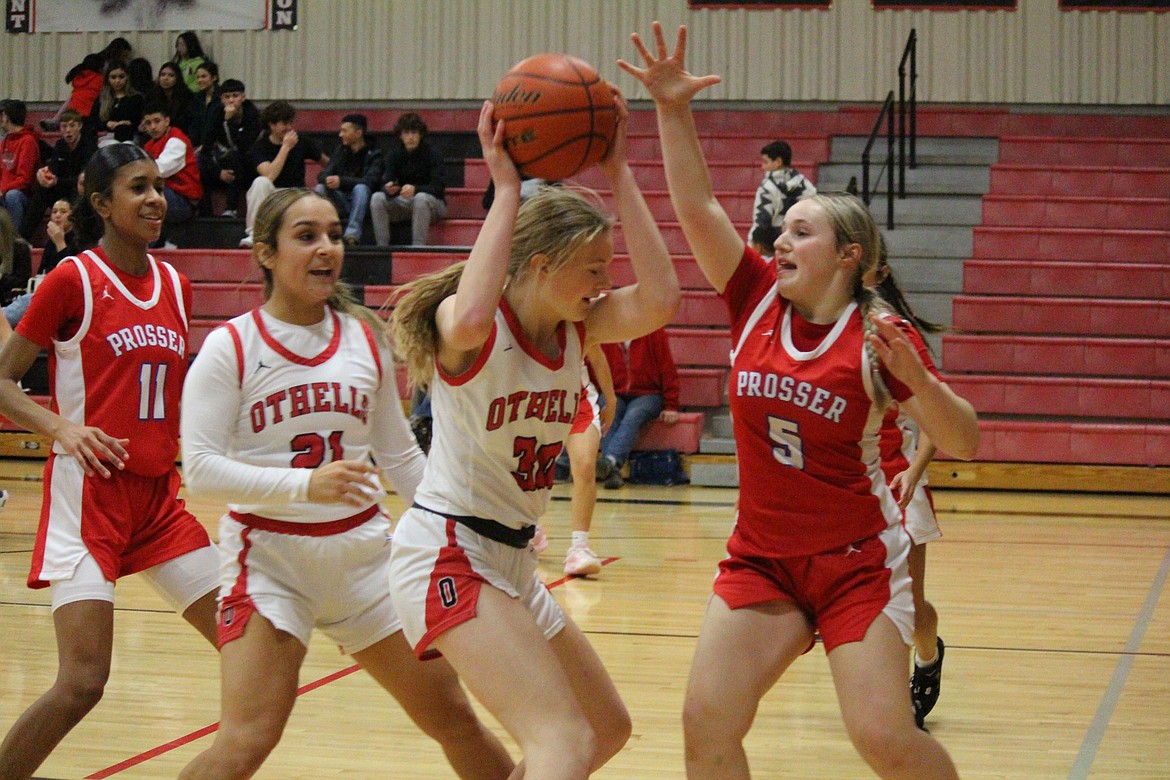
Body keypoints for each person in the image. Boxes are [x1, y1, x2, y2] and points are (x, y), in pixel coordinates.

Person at [620, 23, 978, 779]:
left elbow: (966, 439)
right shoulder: (753, 298)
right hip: (763, 559)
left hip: (856, 566)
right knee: (705, 722)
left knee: (882, 737)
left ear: (849, 255)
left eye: (802, 232)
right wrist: (672, 110)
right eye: (781, 230)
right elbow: (697, 209)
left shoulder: (879, 336)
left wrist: (922, 382)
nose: (780, 241)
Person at [175, 188, 514, 780]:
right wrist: (306, 486)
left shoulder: (364, 337)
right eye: (306, 236)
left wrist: (472, 525)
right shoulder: (231, 346)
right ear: (266, 253)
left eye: (334, 234)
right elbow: (199, 469)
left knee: (455, 719)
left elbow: (401, 458)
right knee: (246, 742)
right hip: (270, 561)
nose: (327, 248)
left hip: (368, 561)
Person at [387, 96, 678, 779]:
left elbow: (662, 299)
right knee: (563, 743)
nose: (607, 283)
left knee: (605, 729)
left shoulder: (577, 327)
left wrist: (620, 172)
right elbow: (467, 319)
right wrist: (508, 190)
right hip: (449, 553)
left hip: (511, 561)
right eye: (595, 269)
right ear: (542, 266)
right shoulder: (473, 327)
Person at [0, 143, 220, 780]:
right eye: (138, 188)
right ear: (101, 204)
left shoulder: (176, 284)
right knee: (83, 683)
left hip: (158, 501)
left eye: (158, 186)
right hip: (88, 498)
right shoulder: (75, 278)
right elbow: (4, 382)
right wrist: (62, 427)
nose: (156, 198)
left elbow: (175, 395)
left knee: (248, 647)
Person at [866, 243, 949, 731]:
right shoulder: (828, 322)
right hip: (849, 483)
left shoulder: (896, 333)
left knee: (912, 604)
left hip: (898, 475)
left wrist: (915, 472)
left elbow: (935, 421)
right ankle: (886, 694)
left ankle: (927, 655)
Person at [596, 326, 680, 489]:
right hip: (616, 392)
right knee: (606, 410)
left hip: (648, 393)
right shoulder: (606, 333)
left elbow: (667, 369)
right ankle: (612, 471)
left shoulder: (654, 332)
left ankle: (610, 460)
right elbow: (597, 369)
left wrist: (671, 405)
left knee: (634, 415)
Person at [561, 344, 616, 577]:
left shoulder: (574, 314)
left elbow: (597, 355)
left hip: (577, 399)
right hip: (530, 397)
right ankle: (530, 528)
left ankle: (579, 546)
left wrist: (611, 400)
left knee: (584, 465)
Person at [240, 100, 325, 249]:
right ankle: (256, 235)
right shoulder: (259, 147)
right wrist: (285, 147)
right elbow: (270, 175)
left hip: (296, 194)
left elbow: (326, 162)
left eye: (290, 123)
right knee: (260, 182)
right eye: (284, 124)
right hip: (273, 195)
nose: (289, 128)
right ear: (272, 125)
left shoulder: (302, 141)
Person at [370, 112, 447, 247]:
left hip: (433, 204)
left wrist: (416, 189)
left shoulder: (433, 154)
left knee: (421, 198)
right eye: (406, 133)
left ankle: (418, 247)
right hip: (405, 202)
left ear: (420, 134)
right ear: (400, 135)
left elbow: (439, 188)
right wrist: (389, 189)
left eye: (414, 133)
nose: (410, 137)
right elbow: (387, 182)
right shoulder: (393, 155)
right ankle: (382, 247)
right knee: (377, 197)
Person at [20, 109, 97, 240]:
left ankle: (78, 239)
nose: (68, 130)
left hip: (80, 191)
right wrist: (44, 175)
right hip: (63, 189)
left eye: (72, 126)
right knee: (42, 190)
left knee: (80, 190)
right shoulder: (60, 145)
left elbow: (84, 179)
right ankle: (23, 239)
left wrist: (57, 181)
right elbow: (53, 170)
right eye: (64, 126)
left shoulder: (89, 147)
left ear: (79, 126)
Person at [315, 113, 381, 245]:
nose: (340, 135)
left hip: (364, 202)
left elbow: (371, 181)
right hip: (342, 200)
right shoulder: (341, 150)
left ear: (358, 133)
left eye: (344, 131)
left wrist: (341, 181)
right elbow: (322, 175)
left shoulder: (375, 153)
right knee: (320, 188)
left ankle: (352, 234)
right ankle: (320, 230)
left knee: (361, 188)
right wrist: (328, 179)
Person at [196, 78, 259, 216]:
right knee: (198, 162)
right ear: (221, 99)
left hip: (247, 163)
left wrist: (229, 122)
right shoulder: (216, 113)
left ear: (243, 97)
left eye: (235, 96)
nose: (231, 101)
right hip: (223, 161)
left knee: (237, 158)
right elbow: (206, 147)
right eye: (227, 97)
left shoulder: (252, 114)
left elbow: (245, 146)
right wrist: (218, 172)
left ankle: (231, 209)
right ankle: (206, 215)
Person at [40, 39, 132, 133]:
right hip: (88, 113)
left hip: (74, 110)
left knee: (74, 96)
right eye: (125, 56)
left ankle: (56, 119)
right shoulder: (104, 70)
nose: (127, 59)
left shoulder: (83, 76)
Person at [141, 103, 202, 244]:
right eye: (148, 123)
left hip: (183, 202)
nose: (153, 127)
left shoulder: (177, 140)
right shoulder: (149, 145)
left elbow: (160, 170)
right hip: (167, 196)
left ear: (167, 121)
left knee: (147, 193)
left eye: (157, 121)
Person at [747, 139, 817, 245]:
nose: (762, 166)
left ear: (778, 162)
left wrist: (753, 245)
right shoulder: (806, 185)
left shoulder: (767, 188)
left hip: (773, 245)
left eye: (766, 162)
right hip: (801, 243)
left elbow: (760, 224)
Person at [0, 100, 40, 246]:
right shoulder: (5, 142)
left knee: (13, 196)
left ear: (7, 116)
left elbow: (25, 179)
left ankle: (15, 244)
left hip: (23, 195)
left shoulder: (28, 141)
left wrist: (3, 190)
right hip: (4, 191)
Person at [88, 63, 144, 144]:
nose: (117, 81)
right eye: (113, 77)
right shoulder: (102, 98)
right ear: (108, 79)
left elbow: (142, 122)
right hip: (107, 137)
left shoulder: (136, 98)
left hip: (130, 137)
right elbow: (93, 121)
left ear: (127, 77)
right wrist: (106, 124)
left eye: (121, 77)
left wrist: (129, 123)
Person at [143, 62, 192, 138]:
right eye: (163, 75)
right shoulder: (152, 95)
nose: (166, 78)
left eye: (171, 75)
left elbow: (185, 122)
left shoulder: (187, 96)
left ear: (177, 78)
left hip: (178, 133)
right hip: (156, 132)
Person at [184, 61, 221, 154]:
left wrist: (206, 146)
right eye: (198, 77)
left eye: (204, 76)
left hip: (216, 146)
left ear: (214, 77)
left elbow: (218, 127)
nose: (199, 80)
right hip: (196, 145)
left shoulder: (222, 97)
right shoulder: (197, 98)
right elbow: (193, 124)